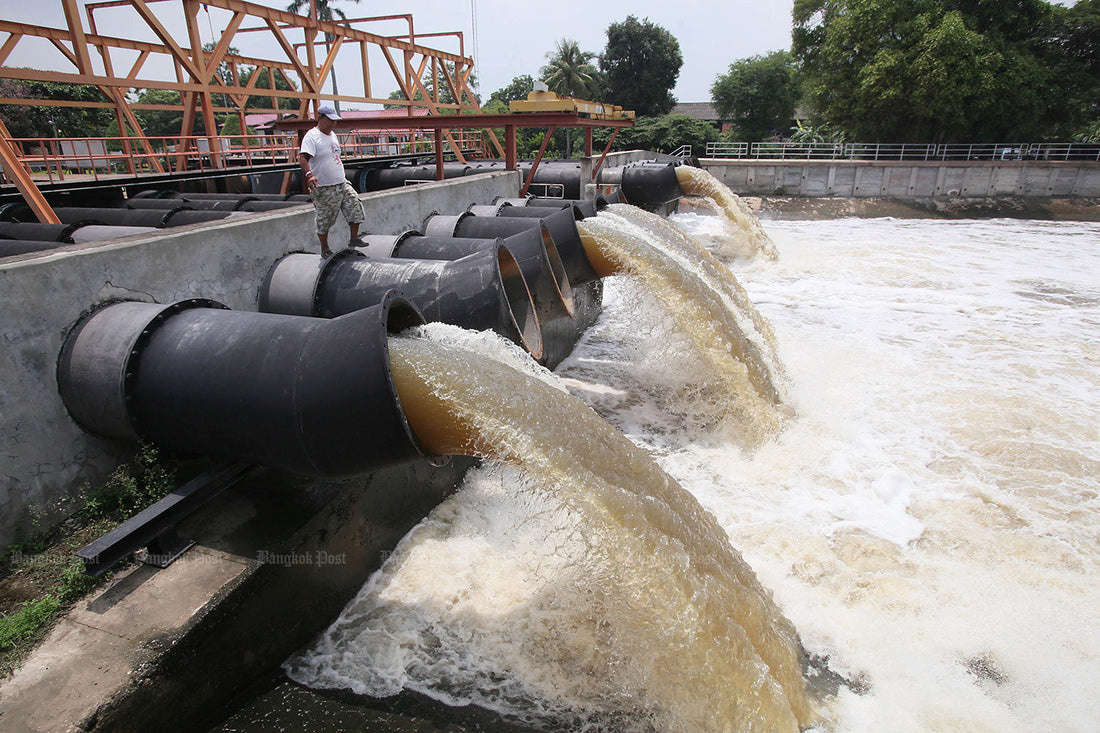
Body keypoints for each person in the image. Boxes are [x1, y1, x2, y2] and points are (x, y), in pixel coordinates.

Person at [298, 103, 365, 258]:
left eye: (335, 121)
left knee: (355, 205)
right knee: (325, 218)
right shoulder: (312, 137)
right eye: (330, 120)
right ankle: (325, 248)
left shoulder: (332, 135)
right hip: (325, 186)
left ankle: (354, 239)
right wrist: (309, 175)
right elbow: (302, 158)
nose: (333, 123)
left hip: (341, 182)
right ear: (320, 118)